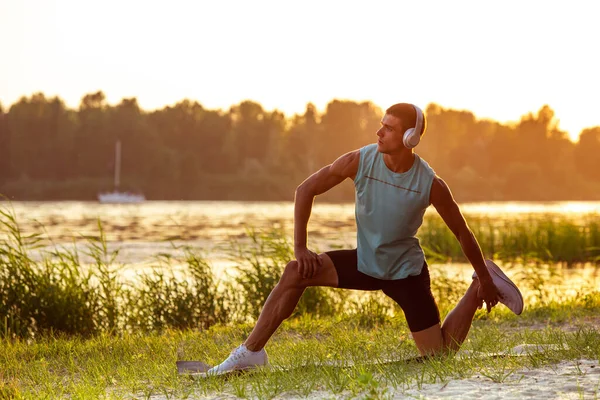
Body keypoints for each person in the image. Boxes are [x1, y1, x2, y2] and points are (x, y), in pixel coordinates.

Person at [207, 103, 523, 375]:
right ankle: (251, 353)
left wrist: (483, 276)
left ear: (409, 137)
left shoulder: (430, 183)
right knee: (294, 272)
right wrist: (301, 248)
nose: (379, 132)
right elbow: (305, 190)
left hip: (405, 274)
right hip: (365, 262)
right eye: (380, 125)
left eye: (388, 128)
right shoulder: (360, 160)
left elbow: (462, 233)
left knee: (438, 358)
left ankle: (476, 288)